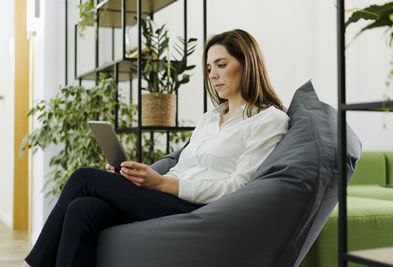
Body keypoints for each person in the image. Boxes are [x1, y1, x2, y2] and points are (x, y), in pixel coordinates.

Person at [22, 29, 289, 267]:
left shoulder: (268, 120)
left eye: (221, 64)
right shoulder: (210, 118)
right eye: (209, 68)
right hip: (168, 195)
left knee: (83, 177)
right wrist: (136, 177)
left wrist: (160, 184)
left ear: (247, 64)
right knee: (82, 208)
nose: (213, 75)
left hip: (198, 208)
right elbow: (182, 167)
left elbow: (237, 187)